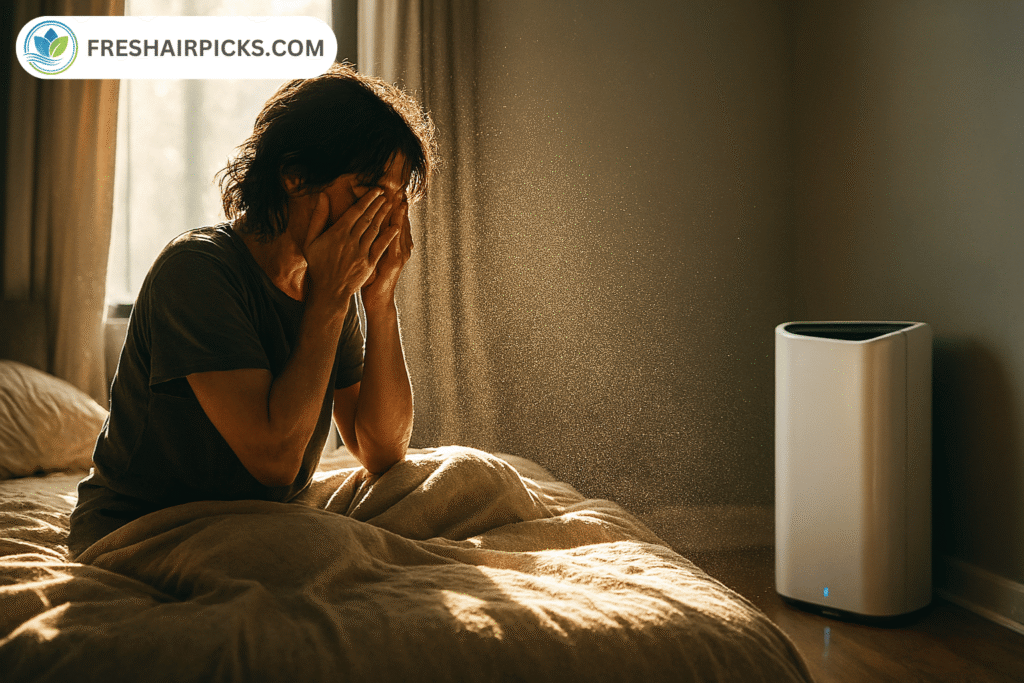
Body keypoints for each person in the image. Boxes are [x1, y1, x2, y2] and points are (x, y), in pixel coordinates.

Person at [67, 63, 436, 559]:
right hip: (145, 527)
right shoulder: (196, 270)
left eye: (397, 199)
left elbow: (382, 449)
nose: (387, 219)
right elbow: (276, 459)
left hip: (259, 520)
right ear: (295, 175)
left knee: (460, 479)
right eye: (368, 189)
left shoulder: (329, 288)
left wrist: (380, 299)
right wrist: (330, 298)